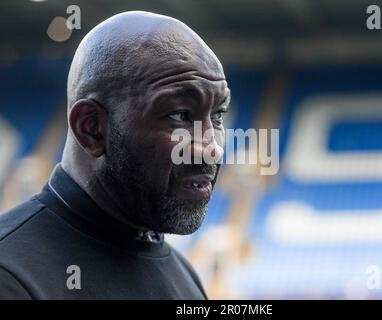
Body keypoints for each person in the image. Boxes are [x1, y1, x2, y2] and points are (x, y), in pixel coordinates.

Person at [0, 10, 230, 299]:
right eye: (180, 115)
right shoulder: (10, 276)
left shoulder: (186, 277)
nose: (212, 147)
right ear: (92, 128)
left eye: (218, 115)